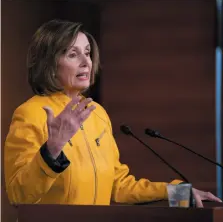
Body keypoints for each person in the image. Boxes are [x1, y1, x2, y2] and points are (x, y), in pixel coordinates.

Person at [4, 19, 222, 207]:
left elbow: (118, 185)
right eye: (73, 54)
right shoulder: (30, 114)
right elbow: (17, 194)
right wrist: (51, 151)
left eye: (87, 53)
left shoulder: (96, 113)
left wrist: (177, 192)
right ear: (49, 63)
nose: (85, 62)